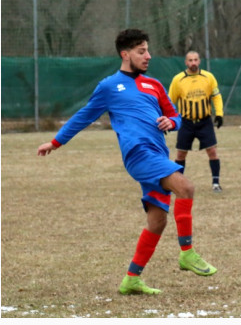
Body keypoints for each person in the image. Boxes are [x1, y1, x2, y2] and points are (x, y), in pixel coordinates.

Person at [37, 29, 217, 295]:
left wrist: (172, 121)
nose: (148, 56)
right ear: (125, 54)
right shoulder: (109, 86)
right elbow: (84, 115)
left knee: (158, 221)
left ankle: (132, 279)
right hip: (138, 154)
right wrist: (56, 142)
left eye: (147, 50)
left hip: (157, 154)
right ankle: (187, 252)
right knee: (186, 188)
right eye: (141, 51)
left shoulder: (154, 84)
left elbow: (175, 115)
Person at [168, 51, 224, 193]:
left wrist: (219, 114)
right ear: (186, 62)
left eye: (195, 60)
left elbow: (216, 96)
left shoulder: (208, 77)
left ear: (199, 61)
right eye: (190, 60)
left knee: (212, 151)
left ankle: (216, 183)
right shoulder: (178, 80)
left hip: (205, 122)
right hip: (186, 122)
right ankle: (178, 184)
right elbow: (169, 101)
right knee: (181, 154)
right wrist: (168, 118)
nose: (193, 63)